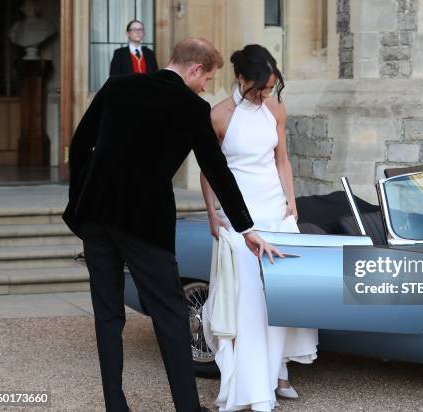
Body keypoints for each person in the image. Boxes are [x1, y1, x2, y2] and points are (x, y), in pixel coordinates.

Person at [63, 38, 282, 412]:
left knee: (108, 312)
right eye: (208, 78)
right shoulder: (192, 107)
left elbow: (80, 145)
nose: (207, 86)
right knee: (170, 313)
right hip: (144, 222)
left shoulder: (117, 86)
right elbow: (216, 169)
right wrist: (247, 228)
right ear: (195, 69)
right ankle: (187, 407)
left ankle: (115, 405)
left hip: (97, 216)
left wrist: (81, 200)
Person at [201, 44, 318, 412]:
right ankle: (252, 384)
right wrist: (211, 214)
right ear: (241, 79)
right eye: (262, 87)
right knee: (249, 302)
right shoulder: (218, 116)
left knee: (283, 296)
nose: (268, 93)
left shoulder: (275, 110)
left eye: (271, 87)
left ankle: (278, 370)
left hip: (275, 212)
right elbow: (209, 170)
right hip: (241, 217)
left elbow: (281, 159)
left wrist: (292, 201)